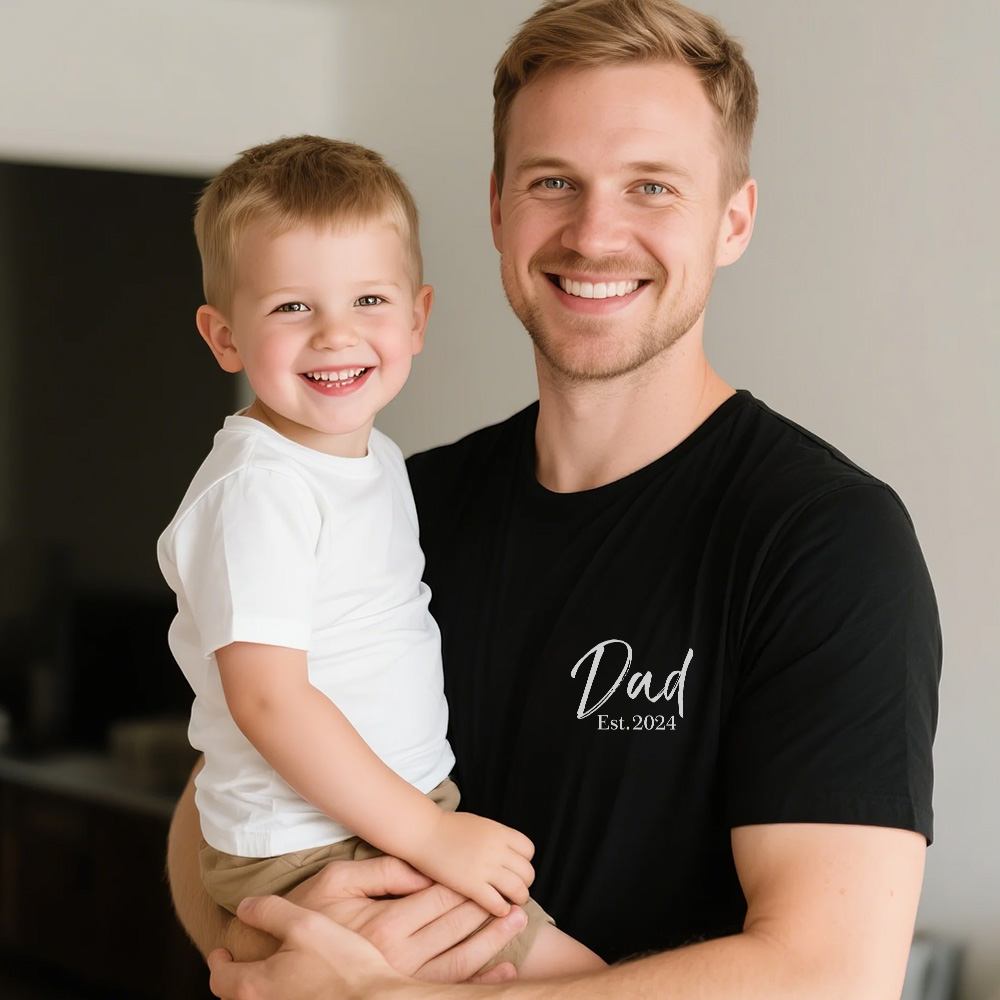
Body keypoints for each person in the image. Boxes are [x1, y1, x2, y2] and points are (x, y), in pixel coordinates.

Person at [168, 2, 942, 998]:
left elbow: (830, 975)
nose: (594, 232)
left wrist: (385, 996)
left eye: (651, 185)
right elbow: (216, 807)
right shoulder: (397, 499)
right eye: (553, 182)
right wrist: (268, 951)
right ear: (498, 210)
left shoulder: (822, 540)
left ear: (734, 218)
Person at [157, 135, 602, 978]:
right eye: (293, 307)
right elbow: (268, 700)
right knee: (580, 982)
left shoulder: (376, 459)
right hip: (311, 842)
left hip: (378, 813)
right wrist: (428, 832)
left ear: (417, 318)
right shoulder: (259, 490)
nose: (336, 334)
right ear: (224, 337)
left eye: (368, 299)